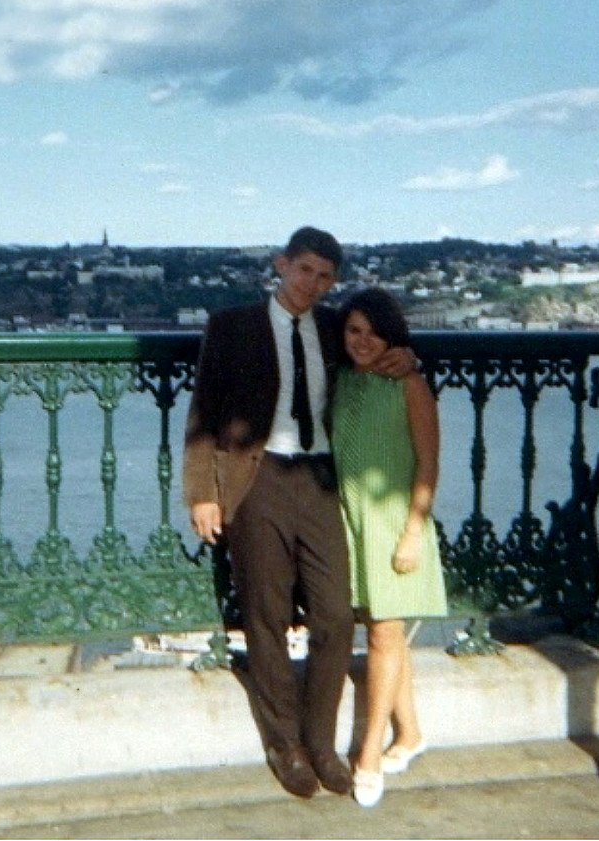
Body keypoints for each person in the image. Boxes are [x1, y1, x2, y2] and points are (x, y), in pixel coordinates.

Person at [183, 226, 415, 799]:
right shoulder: (232, 325)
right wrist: (201, 493)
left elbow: (377, 348)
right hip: (257, 479)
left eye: (326, 275)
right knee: (265, 614)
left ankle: (322, 742)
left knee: (335, 615)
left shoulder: (336, 326)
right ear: (281, 265)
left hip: (319, 478)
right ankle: (284, 744)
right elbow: (204, 409)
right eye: (305, 269)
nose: (314, 283)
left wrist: (407, 355)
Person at [330, 287, 447, 808]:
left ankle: (369, 755)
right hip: (350, 520)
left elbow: (428, 464)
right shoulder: (343, 382)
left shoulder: (410, 384)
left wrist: (413, 532)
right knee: (386, 631)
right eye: (353, 331)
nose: (362, 341)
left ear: (391, 337)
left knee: (382, 634)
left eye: (373, 333)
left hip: (396, 524)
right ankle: (412, 735)